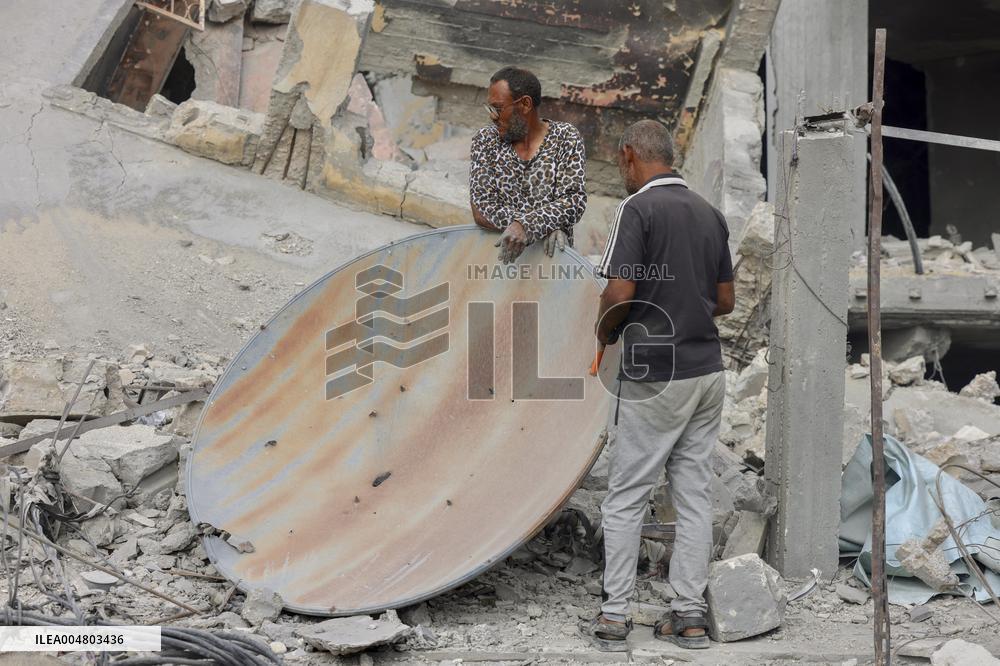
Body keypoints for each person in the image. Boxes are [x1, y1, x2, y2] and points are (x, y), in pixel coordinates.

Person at [580, 119, 736, 651]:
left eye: (618, 163)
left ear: (629, 155)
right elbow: (727, 301)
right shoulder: (710, 214)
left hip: (655, 373)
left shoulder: (637, 209)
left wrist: (604, 332)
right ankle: (690, 616)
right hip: (707, 373)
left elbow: (618, 292)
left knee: (625, 496)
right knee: (693, 496)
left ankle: (614, 616)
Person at [469, 66, 587, 264]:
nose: (492, 116)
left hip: (549, 265)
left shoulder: (566, 137)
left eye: (497, 108)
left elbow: (573, 201)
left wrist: (526, 225)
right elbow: (482, 209)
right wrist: (539, 226)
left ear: (525, 104)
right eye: (490, 109)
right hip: (497, 264)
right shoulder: (486, 140)